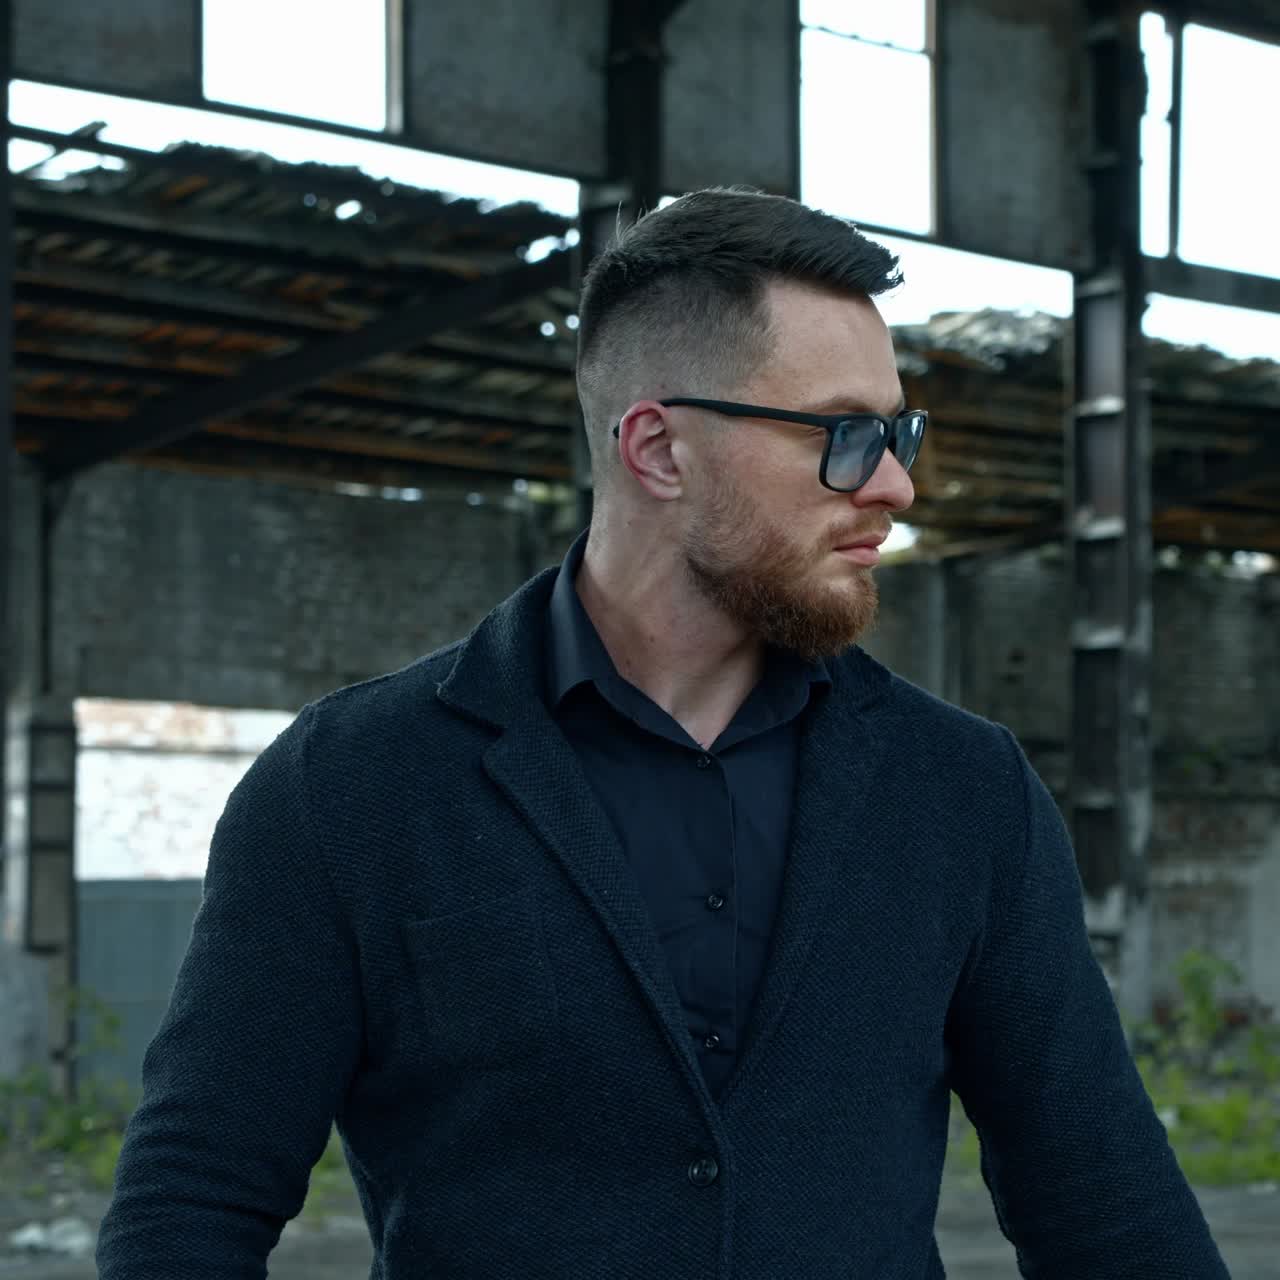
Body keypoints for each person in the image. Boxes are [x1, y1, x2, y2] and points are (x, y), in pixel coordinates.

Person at [95, 187, 1230, 1279]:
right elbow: (192, 1198)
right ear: (657, 450)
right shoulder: (351, 782)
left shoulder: (961, 789)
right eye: (841, 434)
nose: (893, 485)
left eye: (898, 433)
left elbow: (1104, 1203)